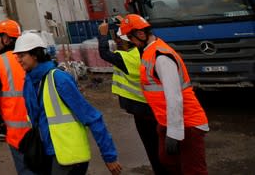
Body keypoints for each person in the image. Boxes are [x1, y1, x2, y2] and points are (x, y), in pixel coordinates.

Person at [14, 32, 122, 175]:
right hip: (47, 153)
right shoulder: (30, 81)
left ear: (35, 55)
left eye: (22, 55)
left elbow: (92, 117)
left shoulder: (58, 79)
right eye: (17, 56)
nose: (18, 60)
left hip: (70, 155)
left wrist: (109, 155)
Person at [120, 14, 209, 175]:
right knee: (168, 163)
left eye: (130, 38)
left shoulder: (161, 57)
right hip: (167, 122)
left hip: (187, 124)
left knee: (193, 170)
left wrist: (174, 133)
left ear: (140, 34)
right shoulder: (149, 52)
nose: (130, 43)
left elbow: (174, 96)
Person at [98, 20, 167, 174]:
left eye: (119, 39)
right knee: (162, 147)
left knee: (152, 148)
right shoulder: (145, 51)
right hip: (156, 107)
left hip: (142, 110)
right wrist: (126, 22)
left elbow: (104, 53)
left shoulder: (126, 58)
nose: (116, 42)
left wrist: (102, 34)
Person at [0, 19, 34, 175]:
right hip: (38, 125)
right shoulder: (31, 57)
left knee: (25, 169)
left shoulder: (0, 61)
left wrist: (0, 124)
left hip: (16, 130)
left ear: (6, 38)